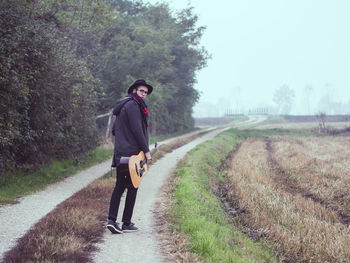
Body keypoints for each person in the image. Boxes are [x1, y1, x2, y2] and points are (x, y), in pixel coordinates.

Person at [107, 79, 153, 234]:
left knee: (120, 185)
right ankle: (125, 222)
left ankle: (112, 221)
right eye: (141, 91)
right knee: (133, 186)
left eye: (146, 92)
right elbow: (137, 130)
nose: (144, 94)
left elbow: (115, 130)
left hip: (121, 153)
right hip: (132, 154)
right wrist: (146, 151)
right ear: (134, 90)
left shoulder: (124, 105)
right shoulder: (133, 105)